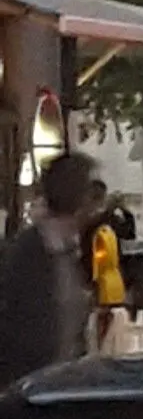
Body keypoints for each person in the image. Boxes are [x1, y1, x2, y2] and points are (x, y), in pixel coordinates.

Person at [0, 151, 99, 385]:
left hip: (60, 386)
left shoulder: (67, 250)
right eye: (90, 192)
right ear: (79, 198)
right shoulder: (27, 253)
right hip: (29, 389)